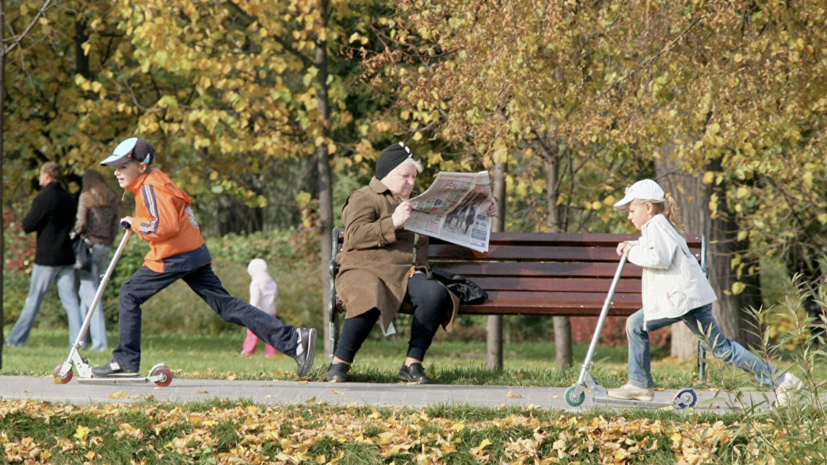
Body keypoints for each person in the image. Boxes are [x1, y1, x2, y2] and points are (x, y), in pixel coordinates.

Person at [91, 137, 316, 378]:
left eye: (123, 166)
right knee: (227, 307)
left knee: (129, 293)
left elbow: (163, 227)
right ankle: (294, 340)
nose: (117, 172)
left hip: (174, 256)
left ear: (142, 166)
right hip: (192, 253)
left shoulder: (149, 187)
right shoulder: (157, 183)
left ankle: (125, 362)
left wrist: (134, 222)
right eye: (116, 167)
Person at [607, 179, 804, 406]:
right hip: (681, 300)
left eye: (632, 210)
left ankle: (782, 381)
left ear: (649, 207)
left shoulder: (656, 225)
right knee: (638, 325)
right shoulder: (658, 226)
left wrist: (630, 251)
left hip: (685, 301)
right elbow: (655, 250)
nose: (629, 216)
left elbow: (658, 257)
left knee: (720, 349)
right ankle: (639, 383)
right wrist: (631, 245)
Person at [327, 141, 496, 384]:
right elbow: (354, 236)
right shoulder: (364, 198)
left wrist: (481, 211)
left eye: (414, 177)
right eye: (405, 176)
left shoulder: (419, 201)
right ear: (386, 174)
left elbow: (449, 228)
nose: (411, 182)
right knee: (370, 294)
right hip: (365, 269)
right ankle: (340, 363)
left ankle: (412, 364)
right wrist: (392, 223)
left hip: (408, 273)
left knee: (434, 294)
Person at [5, 162, 84, 348]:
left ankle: (15, 340)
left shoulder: (44, 198)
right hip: (66, 255)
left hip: (48, 257)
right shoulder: (69, 198)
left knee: (33, 299)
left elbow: (28, 225)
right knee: (71, 301)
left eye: (41, 174)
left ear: (47, 176)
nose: (39, 178)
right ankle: (79, 342)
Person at [72, 170, 120, 352]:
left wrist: (76, 234)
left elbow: (81, 221)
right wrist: (109, 239)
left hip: (89, 247)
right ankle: (81, 340)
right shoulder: (111, 197)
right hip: (105, 248)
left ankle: (100, 342)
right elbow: (116, 225)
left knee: (91, 296)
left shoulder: (86, 197)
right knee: (86, 294)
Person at [240, 258, 279, 357]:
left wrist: (251, 309)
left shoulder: (255, 282)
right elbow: (275, 295)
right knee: (270, 333)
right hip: (270, 311)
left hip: (258, 311)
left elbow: (255, 297)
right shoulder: (271, 281)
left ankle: (248, 351)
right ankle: (271, 353)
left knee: (252, 332)